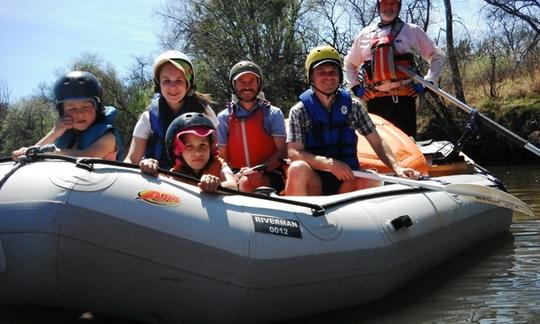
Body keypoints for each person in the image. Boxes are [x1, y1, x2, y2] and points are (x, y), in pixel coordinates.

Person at [284, 45, 420, 196]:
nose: (328, 77)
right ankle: (301, 216)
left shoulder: (353, 106)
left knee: (371, 178)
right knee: (297, 167)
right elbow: (294, 152)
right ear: (311, 77)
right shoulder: (299, 111)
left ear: (340, 76)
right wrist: (329, 164)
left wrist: (397, 167)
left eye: (333, 72)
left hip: (347, 179)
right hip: (315, 182)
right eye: (321, 72)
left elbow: (377, 142)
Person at [344, 0, 445, 137]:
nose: (389, 7)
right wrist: (356, 88)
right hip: (375, 103)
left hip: (404, 102)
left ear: (399, 6)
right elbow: (350, 64)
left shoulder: (411, 30)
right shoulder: (365, 34)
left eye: (393, 3)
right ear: (379, 6)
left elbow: (437, 56)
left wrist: (427, 83)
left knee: (408, 149)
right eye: (385, 3)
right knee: (380, 150)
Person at [124, 50, 219, 174]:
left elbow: (217, 156)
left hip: (195, 184)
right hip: (158, 182)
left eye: (179, 80)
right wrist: (145, 164)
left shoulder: (204, 112)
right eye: (166, 81)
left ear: (188, 83)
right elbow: (131, 160)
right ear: (159, 84)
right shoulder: (148, 118)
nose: (172, 87)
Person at [11, 71, 123, 161]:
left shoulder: (108, 137)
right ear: (62, 112)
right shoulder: (66, 134)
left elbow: (89, 156)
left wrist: (44, 151)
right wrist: (54, 133)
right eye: (72, 108)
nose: (80, 113)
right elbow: (31, 155)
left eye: (86, 107)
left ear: (97, 108)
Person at [217, 61, 287, 193]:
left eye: (251, 81)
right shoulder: (223, 117)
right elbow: (222, 156)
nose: (247, 86)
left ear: (258, 83)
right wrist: (233, 175)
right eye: (241, 81)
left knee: (246, 182)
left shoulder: (273, 114)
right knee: (234, 183)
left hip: (270, 172)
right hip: (235, 174)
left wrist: (259, 169)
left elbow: (282, 152)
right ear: (234, 84)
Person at [140, 112, 237, 193]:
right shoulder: (174, 175)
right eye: (189, 146)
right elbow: (159, 183)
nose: (198, 153)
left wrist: (217, 186)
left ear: (211, 147)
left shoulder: (220, 165)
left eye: (203, 145)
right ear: (178, 151)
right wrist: (150, 168)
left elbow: (233, 185)